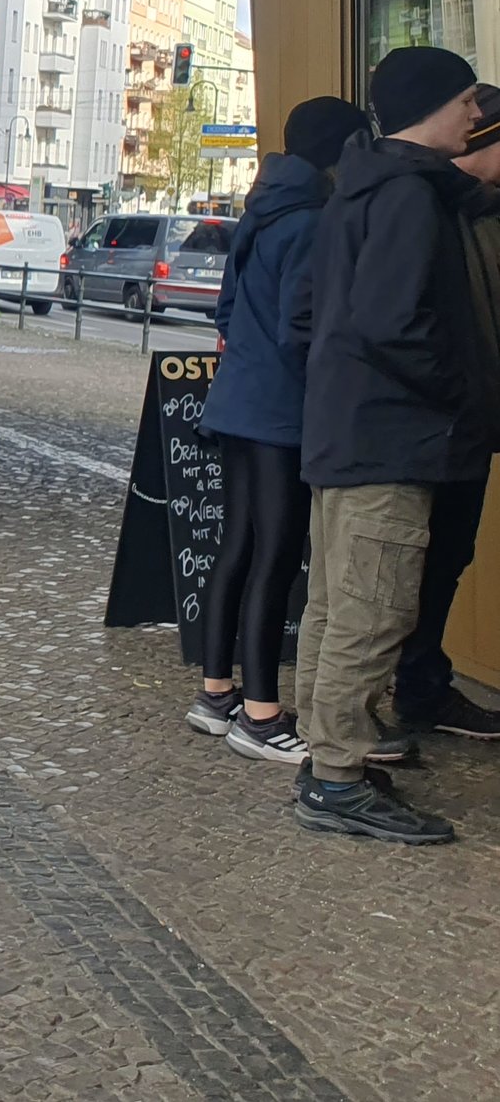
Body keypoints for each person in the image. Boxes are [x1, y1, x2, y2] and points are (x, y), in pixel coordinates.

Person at [289, 47, 490, 844]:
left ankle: (326, 758)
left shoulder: (359, 187)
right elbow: (393, 325)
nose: (477, 116)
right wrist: (459, 395)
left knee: (337, 609)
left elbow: (322, 315)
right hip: (389, 438)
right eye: (470, 101)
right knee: (371, 613)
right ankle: (336, 781)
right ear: (435, 104)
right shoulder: (408, 197)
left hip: (346, 432)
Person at [189, 96, 367, 763]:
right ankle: (260, 716)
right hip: (279, 413)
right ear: (340, 148)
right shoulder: (316, 221)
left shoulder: (260, 207)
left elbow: (229, 311)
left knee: (235, 546)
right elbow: (304, 328)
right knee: (277, 555)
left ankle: (215, 695)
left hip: (235, 402)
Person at [388, 85, 500, 747]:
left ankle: (423, 685)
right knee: (407, 566)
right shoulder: (424, 206)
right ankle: (393, 696)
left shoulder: (481, 211)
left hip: (472, 418)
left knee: (449, 556)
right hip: (428, 420)